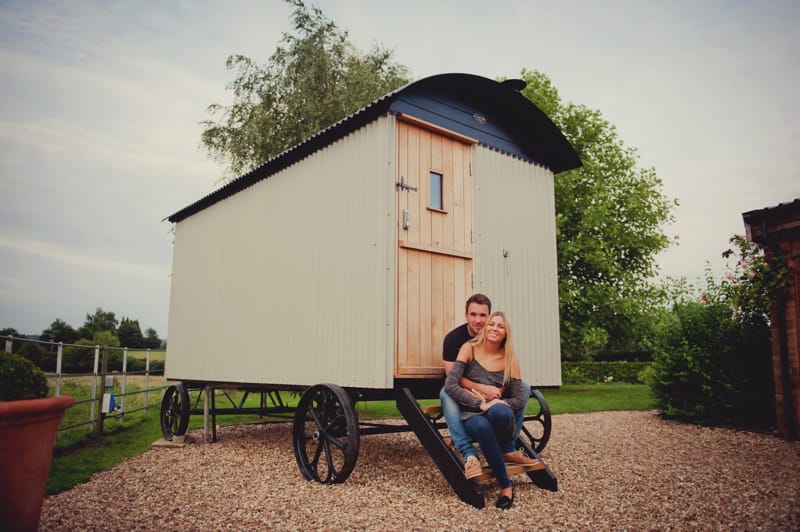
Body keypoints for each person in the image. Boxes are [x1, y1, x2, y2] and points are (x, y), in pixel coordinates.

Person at [444, 311, 532, 510]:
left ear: (506, 333)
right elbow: (451, 384)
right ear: (485, 327)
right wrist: (479, 405)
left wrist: (496, 403)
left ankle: (504, 448)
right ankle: (506, 486)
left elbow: (519, 399)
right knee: (482, 426)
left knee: (501, 412)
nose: (494, 328)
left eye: (500, 326)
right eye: (491, 324)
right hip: (471, 413)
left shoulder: (510, 359)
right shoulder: (469, 348)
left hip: (497, 411)